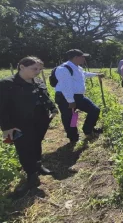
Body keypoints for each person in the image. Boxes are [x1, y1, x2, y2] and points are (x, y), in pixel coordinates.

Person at [0, 57, 58, 192]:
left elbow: (45, 96)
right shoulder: (7, 84)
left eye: (39, 69)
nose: (37, 72)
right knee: (24, 147)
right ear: (21, 67)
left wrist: (53, 108)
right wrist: (6, 127)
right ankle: (31, 174)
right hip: (19, 123)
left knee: (37, 142)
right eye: (34, 69)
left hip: (41, 119)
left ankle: (38, 166)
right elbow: (2, 108)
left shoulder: (37, 81)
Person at [55, 49, 104, 143]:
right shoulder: (63, 69)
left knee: (94, 110)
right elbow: (66, 86)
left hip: (78, 96)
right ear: (76, 57)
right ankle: (73, 138)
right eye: (82, 57)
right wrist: (70, 101)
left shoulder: (78, 67)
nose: (84, 59)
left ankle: (88, 129)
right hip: (65, 97)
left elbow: (84, 74)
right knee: (69, 118)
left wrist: (96, 74)